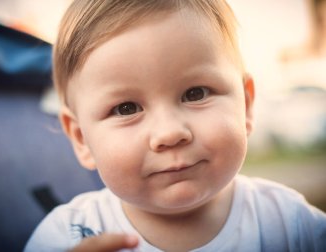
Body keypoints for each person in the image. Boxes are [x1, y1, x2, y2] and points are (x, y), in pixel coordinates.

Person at [24, 0, 326, 251]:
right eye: (126, 108)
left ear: (245, 105)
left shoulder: (289, 224)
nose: (170, 133)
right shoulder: (70, 235)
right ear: (81, 138)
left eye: (195, 93)